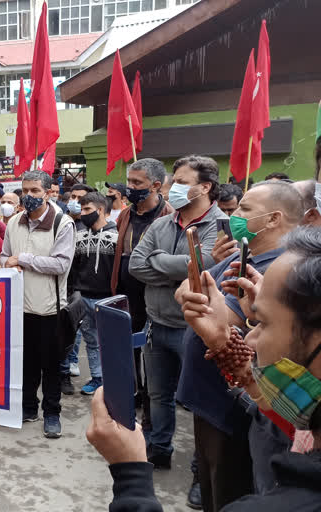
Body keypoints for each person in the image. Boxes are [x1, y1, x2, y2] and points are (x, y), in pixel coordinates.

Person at [89, 227, 321, 512]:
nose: (249, 337)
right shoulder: (311, 417)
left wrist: (130, 475)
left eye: (262, 322)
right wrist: (224, 340)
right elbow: (283, 412)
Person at [174, 181, 302, 511]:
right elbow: (186, 293)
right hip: (216, 397)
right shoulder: (241, 255)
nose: (233, 217)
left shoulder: (285, 268)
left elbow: (221, 322)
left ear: (274, 219)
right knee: (212, 483)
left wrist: (223, 330)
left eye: (244, 210)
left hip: (239, 407)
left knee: (232, 489)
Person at [129, 155, 228, 470]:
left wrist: (159, 261)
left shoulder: (222, 225)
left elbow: (211, 269)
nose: (172, 188)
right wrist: (186, 267)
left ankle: (202, 471)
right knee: (158, 397)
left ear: (205, 187)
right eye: (174, 181)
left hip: (198, 330)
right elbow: (135, 265)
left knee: (202, 403)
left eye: (182, 182)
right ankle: (159, 450)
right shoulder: (162, 223)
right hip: (157, 326)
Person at [1, 170, 76, 439]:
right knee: (26, 363)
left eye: (35, 191)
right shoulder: (13, 223)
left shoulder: (62, 224)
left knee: (51, 366)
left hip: (49, 309)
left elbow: (60, 264)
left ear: (47, 192)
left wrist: (23, 259)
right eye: (25, 191)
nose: (29, 196)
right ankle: (28, 408)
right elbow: (4, 257)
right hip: (19, 308)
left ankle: (52, 413)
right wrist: (11, 261)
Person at [109, 158, 174, 436]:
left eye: (137, 183)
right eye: (129, 181)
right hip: (125, 296)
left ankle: (151, 417)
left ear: (156, 186)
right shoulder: (125, 215)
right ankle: (131, 402)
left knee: (153, 362)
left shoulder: (169, 216)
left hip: (154, 299)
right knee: (127, 354)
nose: (130, 188)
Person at [62, 192, 118, 397]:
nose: (83, 213)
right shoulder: (78, 235)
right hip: (83, 297)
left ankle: (113, 381)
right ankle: (97, 378)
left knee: (110, 343)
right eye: (82, 209)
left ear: (101, 210)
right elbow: (72, 268)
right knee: (91, 340)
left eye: (87, 209)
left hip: (108, 298)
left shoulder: (117, 236)